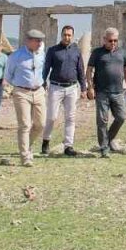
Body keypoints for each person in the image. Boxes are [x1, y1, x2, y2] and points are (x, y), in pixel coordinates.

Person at [85, 27, 126, 158]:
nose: (113, 43)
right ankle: (104, 148)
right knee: (102, 121)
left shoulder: (122, 53)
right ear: (104, 40)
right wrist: (90, 87)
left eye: (115, 40)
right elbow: (89, 70)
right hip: (101, 92)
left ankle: (107, 140)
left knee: (121, 117)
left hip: (118, 92)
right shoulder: (97, 53)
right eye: (110, 40)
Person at [41, 25, 86, 156]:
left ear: (72, 36)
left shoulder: (76, 51)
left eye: (69, 35)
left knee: (70, 118)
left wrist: (83, 88)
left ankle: (68, 146)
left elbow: (80, 70)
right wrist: (42, 83)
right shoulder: (53, 50)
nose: (67, 37)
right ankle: (46, 140)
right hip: (56, 87)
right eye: (65, 35)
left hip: (72, 88)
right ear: (61, 35)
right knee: (51, 117)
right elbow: (46, 68)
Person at [3, 30, 47, 166]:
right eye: (37, 41)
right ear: (28, 41)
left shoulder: (42, 54)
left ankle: (27, 145)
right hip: (21, 92)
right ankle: (25, 156)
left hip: (39, 91)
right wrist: (17, 86)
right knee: (25, 124)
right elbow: (8, 75)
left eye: (41, 41)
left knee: (40, 124)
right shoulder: (16, 56)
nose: (40, 43)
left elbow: (45, 71)